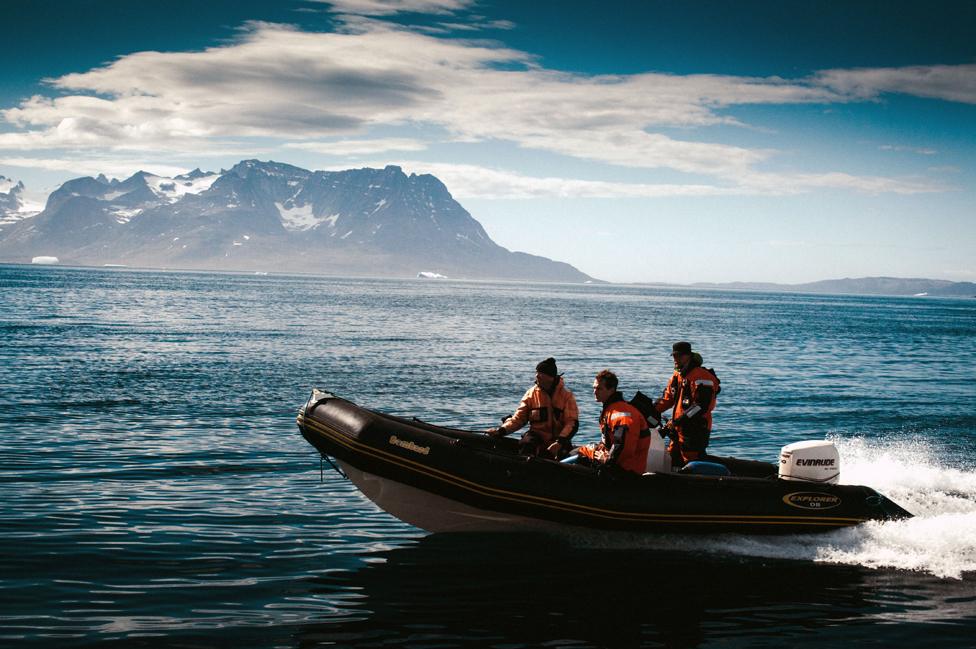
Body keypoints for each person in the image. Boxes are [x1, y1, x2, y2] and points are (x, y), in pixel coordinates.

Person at [488, 357, 579, 458]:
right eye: (536, 372)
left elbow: (572, 423)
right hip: (537, 438)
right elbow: (518, 419)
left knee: (562, 454)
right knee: (527, 442)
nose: (536, 376)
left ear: (550, 377)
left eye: (540, 373)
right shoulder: (531, 394)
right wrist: (501, 431)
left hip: (559, 440)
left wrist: (559, 442)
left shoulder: (567, 396)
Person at [654, 341, 719, 466]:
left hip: (695, 429)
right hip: (679, 429)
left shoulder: (702, 377)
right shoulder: (677, 376)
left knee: (692, 460)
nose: (676, 359)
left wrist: (677, 421)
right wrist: (649, 411)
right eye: (674, 356)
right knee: (671, 458)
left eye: (680, 356)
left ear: (689, 356)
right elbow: (668, 399)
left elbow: (701, 406)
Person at [577, 369, 651, 475]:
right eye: (594, 388)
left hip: (626, 470)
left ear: (611, 390)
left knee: (580, 458)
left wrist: (607, 460)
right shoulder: (611, 409)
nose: (594, 392)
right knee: (581, 451)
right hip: (615, 462)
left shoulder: (621, 414)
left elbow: (625, 448)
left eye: (599, 389)